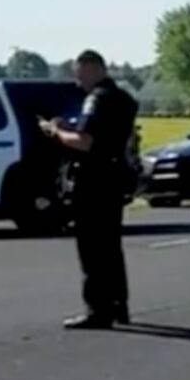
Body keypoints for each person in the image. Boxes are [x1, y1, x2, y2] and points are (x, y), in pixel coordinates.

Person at [40, 49, 138, 329]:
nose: (77, 80)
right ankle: (119, 304)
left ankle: (98, 309)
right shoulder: (125, 99)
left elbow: (85, 141)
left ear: (95, 69)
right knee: (111, 245)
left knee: (92, 247)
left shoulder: (96, 99)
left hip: (94, 180)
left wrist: (56, 131)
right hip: (115, 176)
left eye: (80, 73)